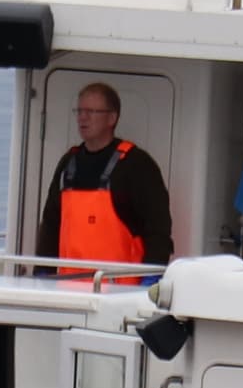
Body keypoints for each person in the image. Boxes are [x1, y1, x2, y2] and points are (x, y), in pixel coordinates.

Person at [34, 81, 173, 273]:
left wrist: (152, 275)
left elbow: (157, 227)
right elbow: (50, 223)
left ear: (112, 118)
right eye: (79, 111)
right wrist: (42, 270)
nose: (83, 118)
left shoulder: (136, 164)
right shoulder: (68, 162)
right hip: (68, 289)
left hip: (120, 293)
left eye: (91, 111)